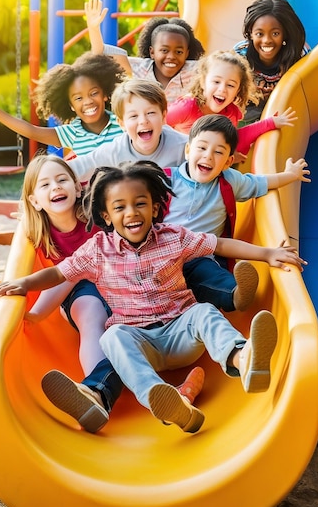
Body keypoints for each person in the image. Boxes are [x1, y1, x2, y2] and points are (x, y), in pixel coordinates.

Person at [0, 161, 306, 434]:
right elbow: (59, 274)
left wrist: (267, 253)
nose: (132, 213)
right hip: (140, 343)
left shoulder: (174, 237)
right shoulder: (96, 250)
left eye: (140, 203)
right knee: (113, 336)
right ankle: (111, 398)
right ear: (105, 214)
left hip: (182, 333)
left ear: (155, 207)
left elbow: (220, 246)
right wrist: (23, 283)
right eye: (120, 207)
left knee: (205, 313)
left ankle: (245, 359)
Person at [14, 153, 203, 432]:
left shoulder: (99, 215)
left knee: (132, 323)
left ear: (78, 186)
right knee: (92, 317)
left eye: (62, 179)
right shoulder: (37, 232)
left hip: (122, 284)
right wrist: (36, 313)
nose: (55, 187)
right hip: (79, 290)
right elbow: (64, 277)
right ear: (33, 201)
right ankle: (96, 392)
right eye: (45, 185)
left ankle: (164, 392)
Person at [163, 114, 310, 311]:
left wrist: (290, 175)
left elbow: (262, 183)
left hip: (200, 257)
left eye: (218, 152)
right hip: (161, 258)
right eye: (202, 147)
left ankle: (235, 294)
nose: (208, 156)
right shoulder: (166, 181)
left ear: (227, 162)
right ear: (188, 150)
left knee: (209, 275)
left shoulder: (231, 182)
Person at [0, 52, 126, 156]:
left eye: (94, 93)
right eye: (78, 98)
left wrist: (93, 29)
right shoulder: (72, 133)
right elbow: (31, 131)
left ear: (105, 94)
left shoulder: (122, 121)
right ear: (71, 105)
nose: (88, 102)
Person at [166, 49, 298, 163]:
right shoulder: (187, 107)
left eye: (230, 85)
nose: (222, 89)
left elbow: (236, 139)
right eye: (216, 81)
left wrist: (271, 123)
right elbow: (158, 124)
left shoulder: (230, 114)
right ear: (202, 82)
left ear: (238, 90)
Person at [67, 77, 189, 184]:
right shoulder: (115, 151)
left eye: (150, 113)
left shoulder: (182, 146)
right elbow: (76, 168)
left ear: (163, 117)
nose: (143, 121)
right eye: (133, 116)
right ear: (122, 124)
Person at [84, 0, 204, 105]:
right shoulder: (141, 68)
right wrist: (93, 28)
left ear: (187, 53)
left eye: (178, 52)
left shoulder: (195, 70)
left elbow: (219, 63)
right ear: (152, 52)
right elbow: (101, 54)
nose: (171, 56)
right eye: (164, 50)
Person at [234, 0, 310, 124]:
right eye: (259, 34)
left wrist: (277, 93)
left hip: (287, 106)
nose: (267, 40)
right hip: (251, 108)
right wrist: (252, 93)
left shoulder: (298, 55)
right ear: (250, 33)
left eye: (275, 34)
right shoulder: (240, 56)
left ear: (285, 34)